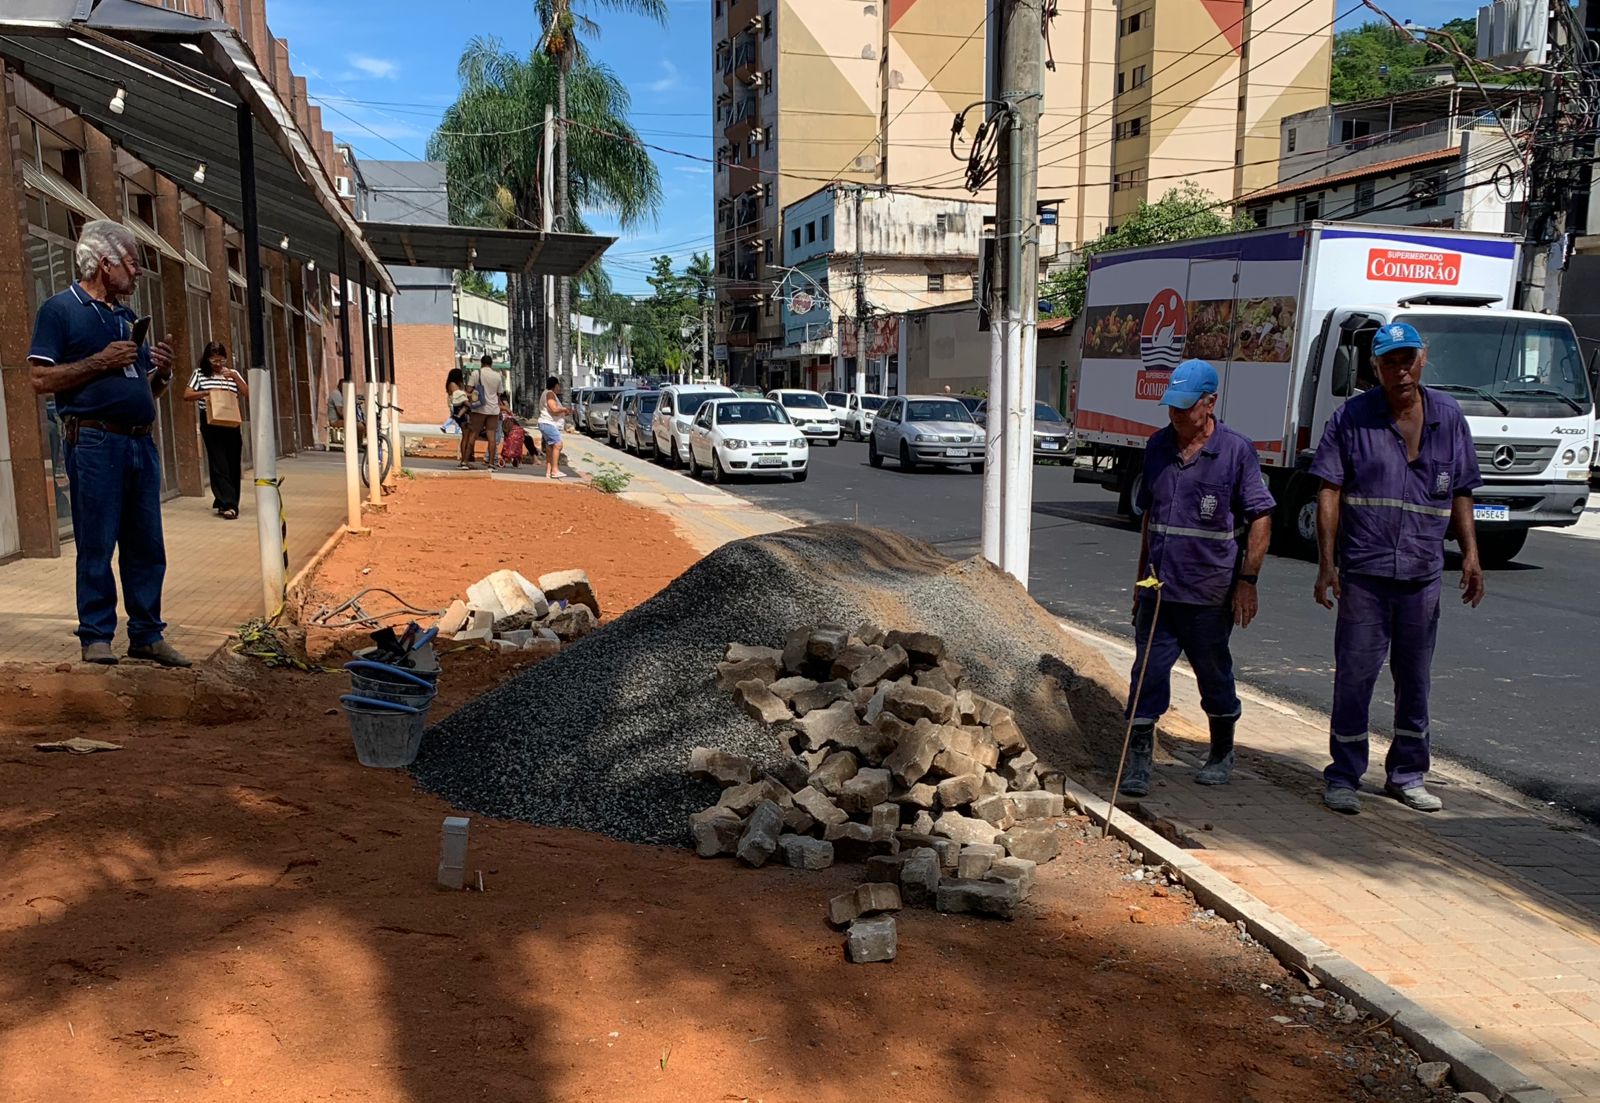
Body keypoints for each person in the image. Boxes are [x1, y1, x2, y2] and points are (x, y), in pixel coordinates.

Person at [1310, 322, 1484, 816]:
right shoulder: (1352, 418)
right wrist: (1327, 563)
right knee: (1355, 675)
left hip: (1423, 572)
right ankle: (1344, 775)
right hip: (1364, 571)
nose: (1400, 370)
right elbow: (1329, 489)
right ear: (1376, 369)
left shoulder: (1448, 417)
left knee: (1415, 677)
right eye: (1390, 362)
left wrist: (1471, 555)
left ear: (1422, 359)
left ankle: (1407, 775)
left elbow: (1462, 491)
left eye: (1407, 359)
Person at [27, 219, 189, 667]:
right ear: (105, 263)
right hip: (95, 442)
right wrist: (100, 360)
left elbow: (139, 390)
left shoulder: (125, 318)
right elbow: (39, 378)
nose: (136, 272)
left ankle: (146, 634)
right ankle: (96, 635)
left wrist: (163, 374)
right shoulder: (60, 310)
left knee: (146, 544)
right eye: (132, 263)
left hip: (140, 443)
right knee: (97, 541)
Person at [1119, 359, 1274, 795]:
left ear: (1210, 403)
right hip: (1159, 590)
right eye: (1171, 407)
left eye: (1186, 408)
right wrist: (1138, 583)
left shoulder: (1235, 452)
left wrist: (1248, 580)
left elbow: (1261, 517)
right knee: (1146, 674)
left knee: (1213, 673)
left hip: (1209, 592)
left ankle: (1222, 750)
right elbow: (1151, 519)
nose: (1176, 416)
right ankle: (1138, 761)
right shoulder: (1156, 448)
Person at [182, 341, 248, 520]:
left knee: (233, 460)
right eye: (215, 361)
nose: (219, 365)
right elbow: (187, 394)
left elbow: (247, 393)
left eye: (222, 360)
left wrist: (234, 376)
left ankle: (226, 499)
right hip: (211, 421)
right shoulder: (200, 374)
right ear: (207, 360)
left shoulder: (231, 374)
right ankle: (229, 504)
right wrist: (206, 393)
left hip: (231, 420)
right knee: (218, 461)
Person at [460, 353, 503, 469]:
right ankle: (491, 464)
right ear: (491, 364)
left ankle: (465, 461)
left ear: (482, 363)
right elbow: (499, 393)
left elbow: (469, 389)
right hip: (493, 409)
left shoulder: (476, 373)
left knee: (473, 434)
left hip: (479, 408)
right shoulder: (498, 375)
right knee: (492, 436)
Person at [538, 375, 572, 480]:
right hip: (548, 423)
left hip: (547, 423)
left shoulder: (548, 394)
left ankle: (549, 471)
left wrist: (564, 412)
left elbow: (554, 411)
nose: (559, 388)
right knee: (558, 444)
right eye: (558, 386)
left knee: (550, 447)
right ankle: (555, 470)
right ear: (555, 385)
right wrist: (563, 409)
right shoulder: (550, 394)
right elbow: (553, 409)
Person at [443, 367, 468, 435]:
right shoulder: (452, 384)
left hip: (457, 404)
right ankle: (447, 426)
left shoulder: (457, 384)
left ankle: (457, 429)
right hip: (455, 405)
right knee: (458, 417)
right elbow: (459, 394)